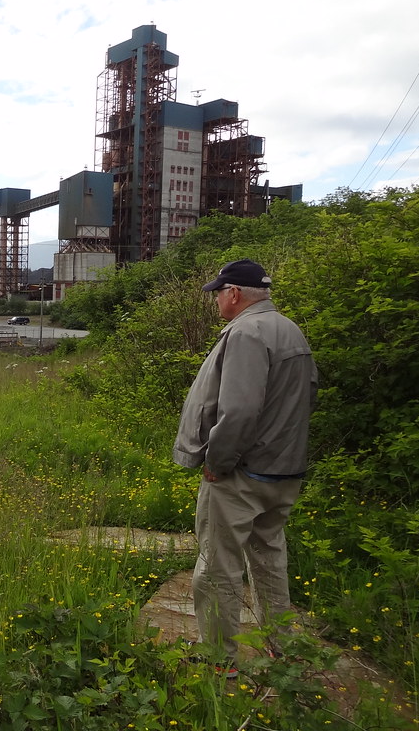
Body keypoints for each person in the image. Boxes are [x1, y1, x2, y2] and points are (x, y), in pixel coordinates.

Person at [173, 259, 318, 670]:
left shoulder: (245, 333)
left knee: (218, 564)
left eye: (218, 293)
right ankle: (283, 648)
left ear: (234, 293)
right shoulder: (289, 329)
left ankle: (219, 659)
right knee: (269, 556)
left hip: (241, 473)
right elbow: (309, 395)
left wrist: (219, 462)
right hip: (284, 469)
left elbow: (238, 411)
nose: (216, 300)